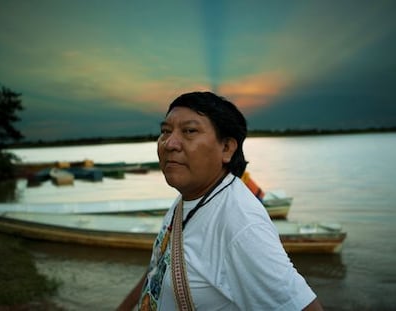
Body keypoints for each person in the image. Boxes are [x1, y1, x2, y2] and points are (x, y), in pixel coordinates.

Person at [117, 91, 323, 310]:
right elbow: (158, 268)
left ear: (226, 148)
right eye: (165, 131)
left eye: (189, 131)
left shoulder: (241, 226)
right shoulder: (189, 198)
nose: (169, 143)